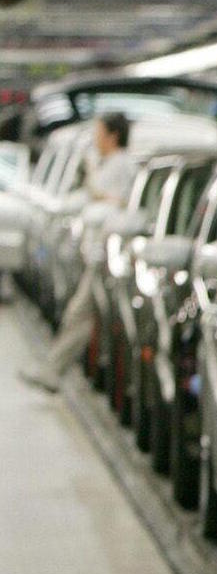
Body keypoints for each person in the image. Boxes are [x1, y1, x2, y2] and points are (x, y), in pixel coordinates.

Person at [20, 112, 136, 393]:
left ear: (113, 136)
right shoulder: (110, 162)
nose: (96, 140)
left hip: (108, 255)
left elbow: (113, 199)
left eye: (99, 133)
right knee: (83, 315)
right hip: (96, 251)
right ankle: (53, 369)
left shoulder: (121, 165)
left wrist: (92, 174)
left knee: (80, 313)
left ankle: (53, 370)